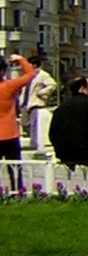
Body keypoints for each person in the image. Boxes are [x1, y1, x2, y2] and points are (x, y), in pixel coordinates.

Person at [1, 54, 39, 190]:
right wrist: (21, 59)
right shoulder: (9, 86)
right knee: (15, 168)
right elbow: (31, 74)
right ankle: (17, 191)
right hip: (10, 133)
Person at [20, 52, 58, 157]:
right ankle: (33, 140)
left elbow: (53, 84)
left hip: (35, 103)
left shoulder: (43, 75)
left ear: (34, 65)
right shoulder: (27, 75)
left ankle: (35, 145)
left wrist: (42, 92)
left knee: (34, 125)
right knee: (24, 123)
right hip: (25, 103)